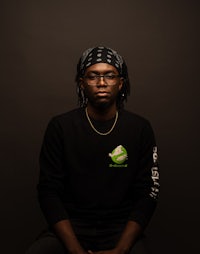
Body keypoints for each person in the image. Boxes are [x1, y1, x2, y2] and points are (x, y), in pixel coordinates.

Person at [26, 46, 159, 254]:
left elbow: (148, 193)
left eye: (110, 75)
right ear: (82, 83)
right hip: (72, 227)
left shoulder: (140, 128)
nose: (102, 83)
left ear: (121, 82)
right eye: (93, 76)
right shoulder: (61, 127)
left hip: (120, 229)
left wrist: (121, 250)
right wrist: (75, 250)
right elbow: (48, 191)